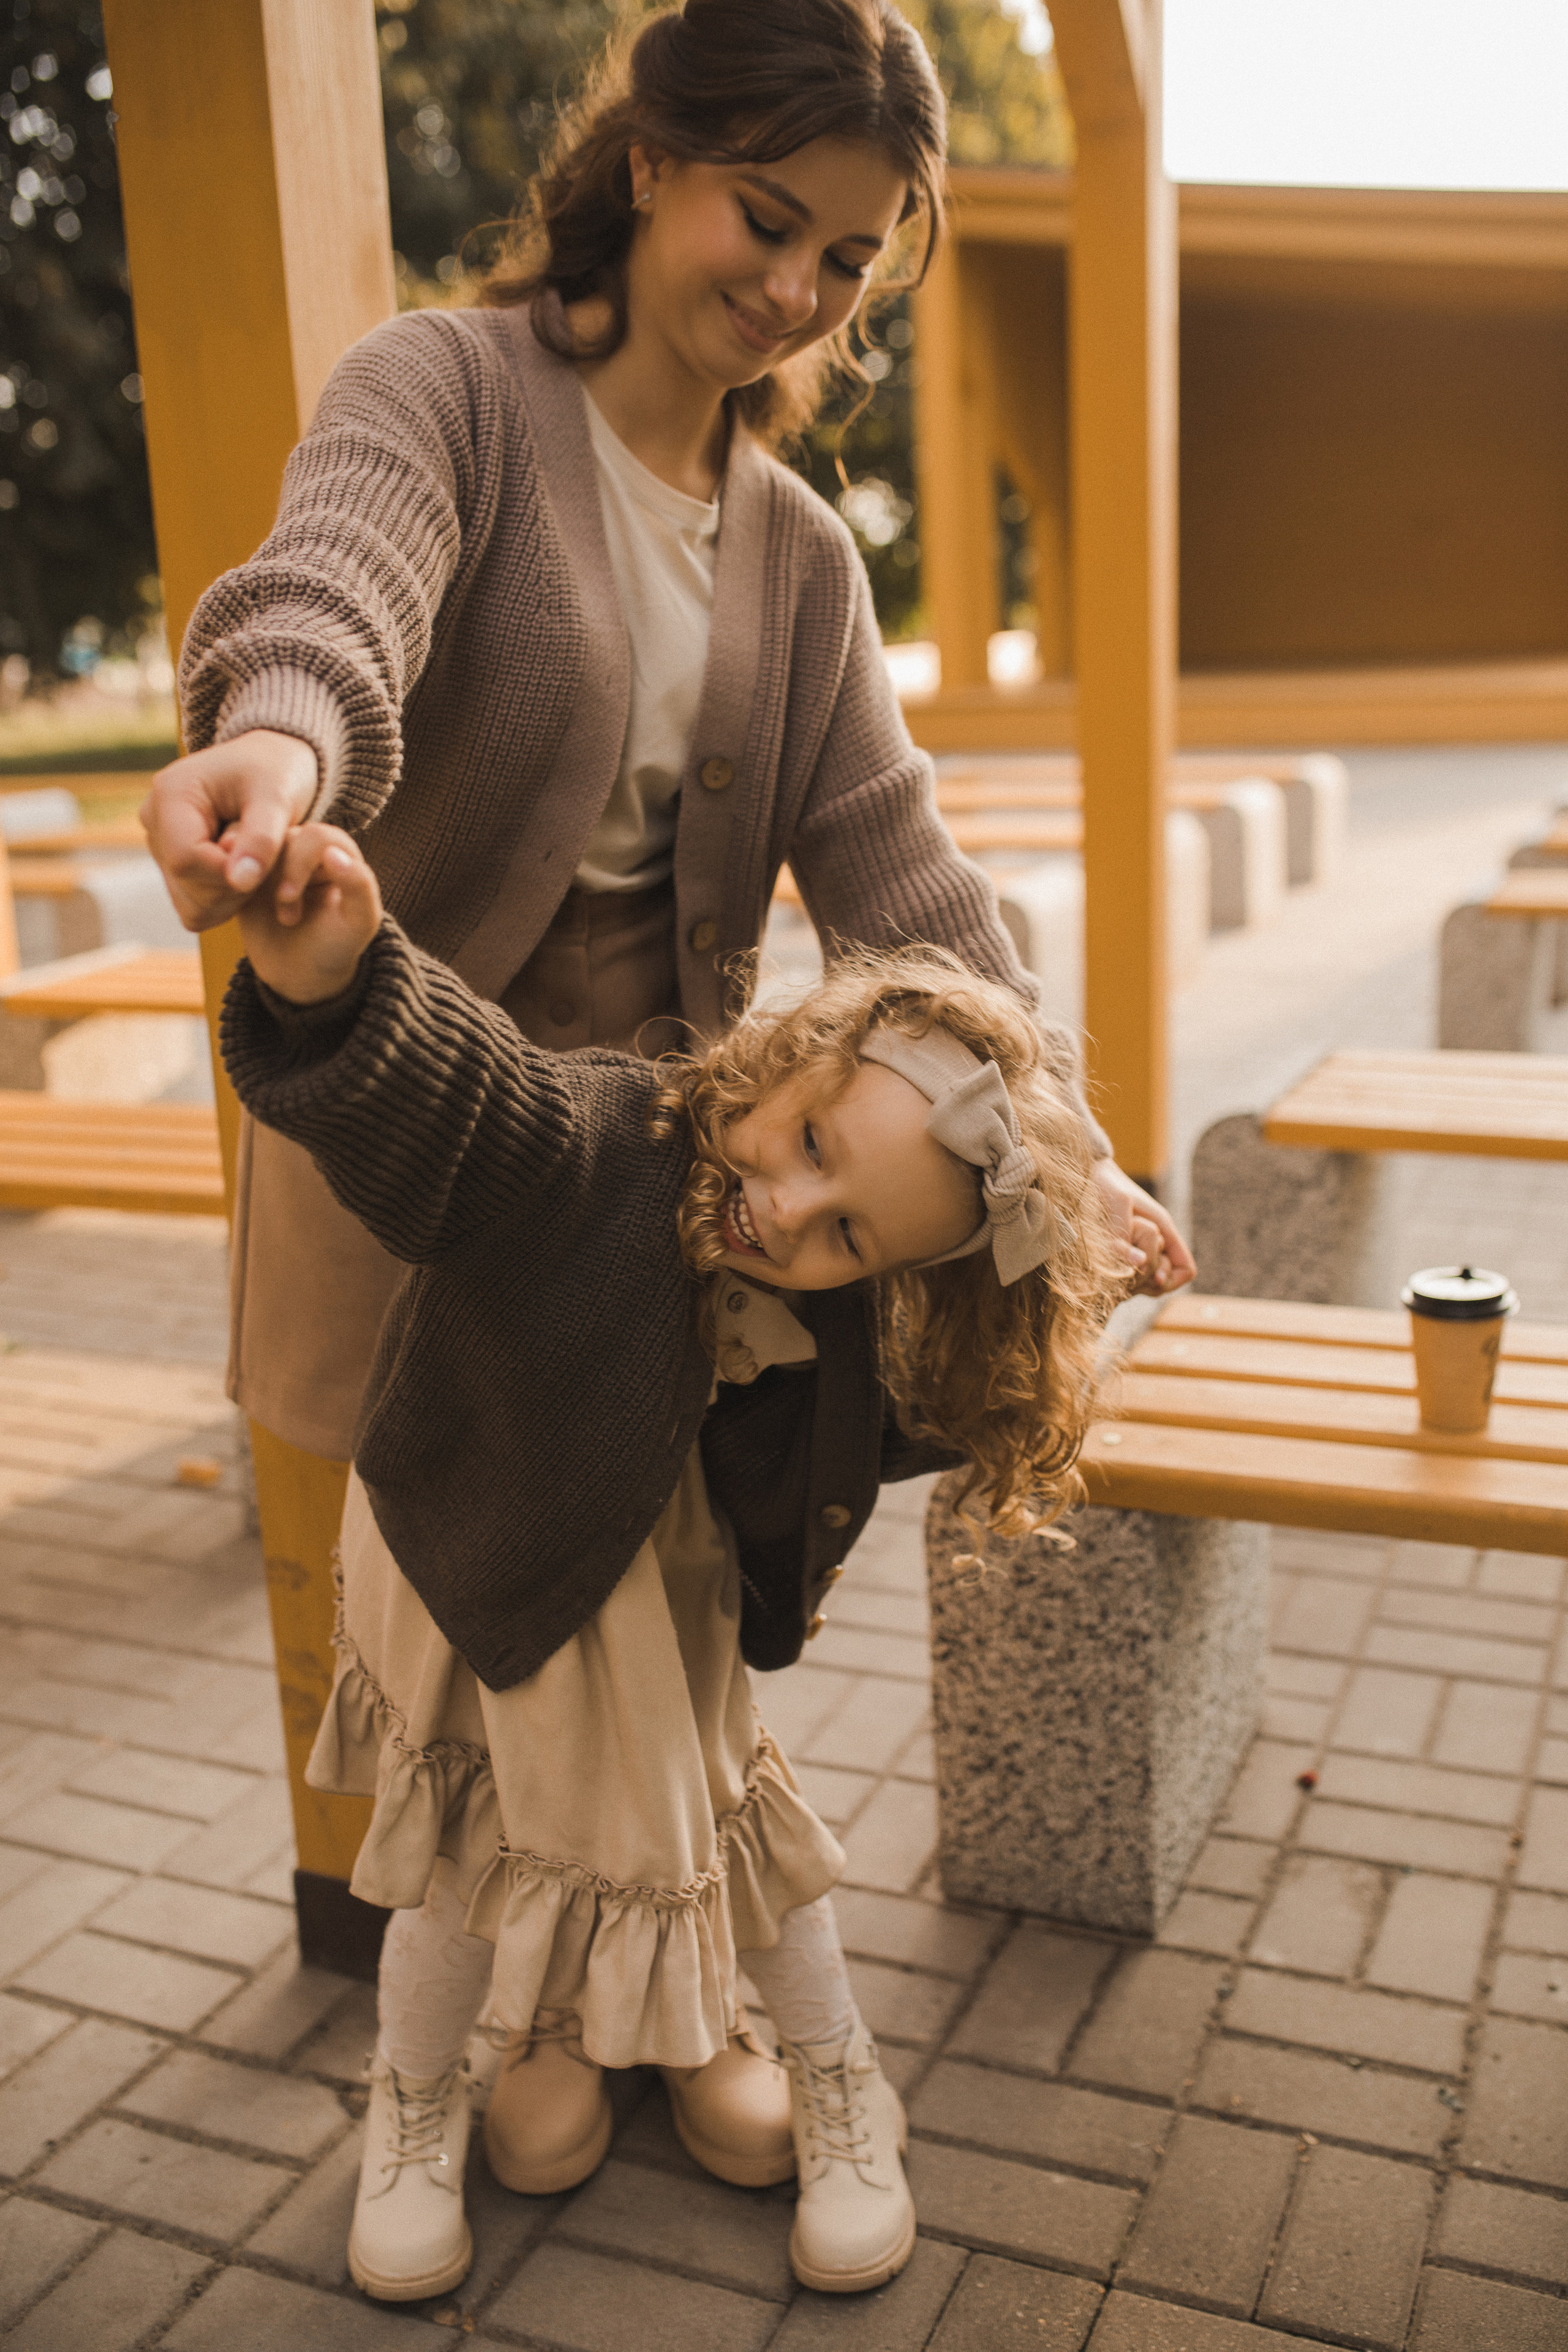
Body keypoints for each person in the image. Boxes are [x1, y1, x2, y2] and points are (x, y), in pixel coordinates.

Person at [141, 0, 1192, 1465]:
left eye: (844, 258)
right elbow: (337, 586)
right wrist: (280, 745)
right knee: (383, 1613)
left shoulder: (806, 558)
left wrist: (1057, 1146)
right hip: (400, 1122)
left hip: (660, 1193)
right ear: (647, 163)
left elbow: (910, 885)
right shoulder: (447, 388)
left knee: (619, 1611)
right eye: (765, 220)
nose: (793, 289)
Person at [223, 818, 1126, 2301]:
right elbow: (466, 1101)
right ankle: (415, 2101)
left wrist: (1066, 1267)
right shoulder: (593, 1141)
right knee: (455, 1847)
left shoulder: (822, 1289)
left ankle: (840, 2083)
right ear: (787, 1061)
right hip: (471, 1552)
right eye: (811, 1149)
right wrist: (345, 980)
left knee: (722, 1827)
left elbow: (866, 1438)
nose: (790, 1213)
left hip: (655, 1595)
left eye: (847, 1238)